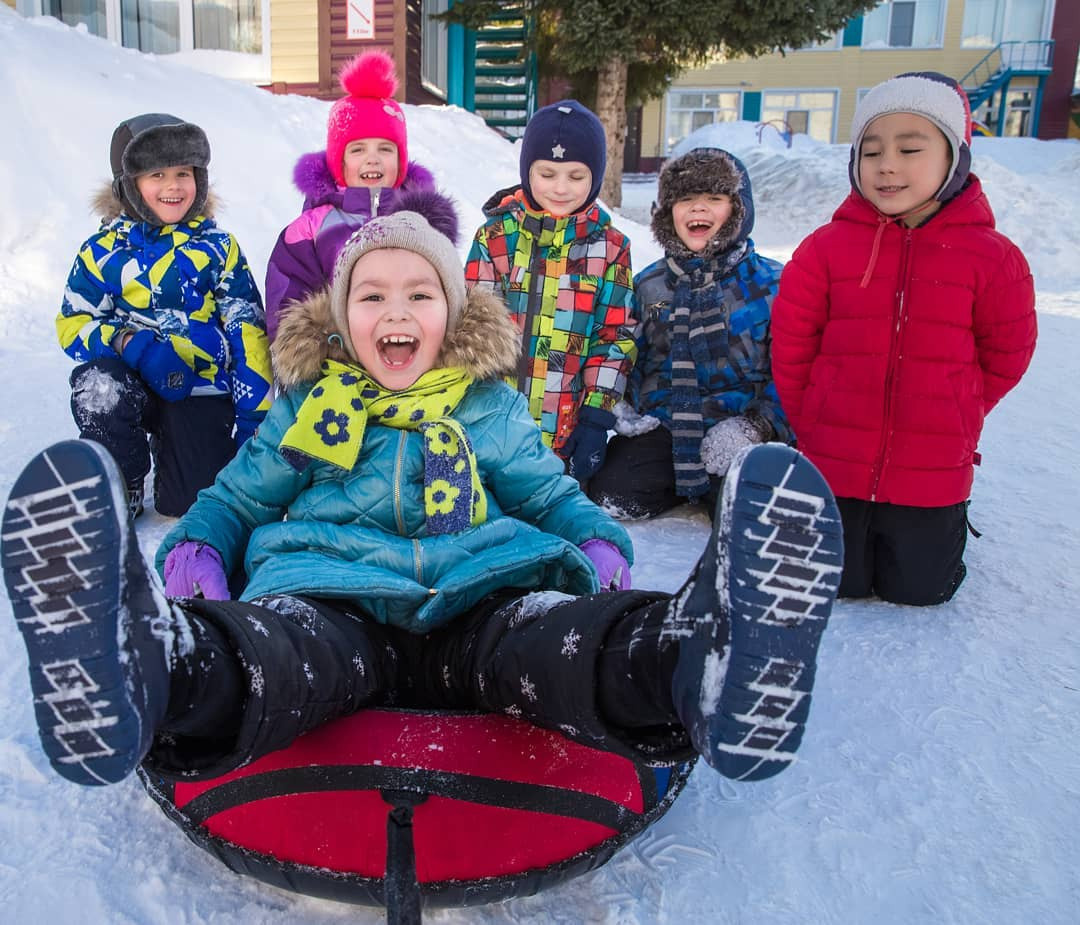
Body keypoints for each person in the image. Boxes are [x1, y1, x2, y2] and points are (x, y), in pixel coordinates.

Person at [2, 204, 844, 797]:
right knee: (280, 655)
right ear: (340, 320)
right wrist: (198, 549)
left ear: (451, 316)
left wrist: (594, 542)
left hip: (481, 594)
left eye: (419, 294)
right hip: (332, 595)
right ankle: (157, 666)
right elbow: (237, 496)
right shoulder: (314, 405)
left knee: (549, 641)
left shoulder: (485, 406)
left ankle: (687, 656)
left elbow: (547, 493)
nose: (395, 310)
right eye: (371, 295)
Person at [771, 72, 1037, 606]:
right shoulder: (825, 250)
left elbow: (1008, 352)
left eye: (910, 148)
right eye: (871, 151)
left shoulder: (992, 257)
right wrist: (813, 417)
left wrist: (961, 410)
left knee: (920, 590)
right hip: (835, 460)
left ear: (954, 158)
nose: (887, 164)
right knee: (836, 586)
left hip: (932, 470)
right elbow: (792, 344)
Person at [56, 113, 272, 518]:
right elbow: (73, 324)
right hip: (132, 378)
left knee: (190, 504)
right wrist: (128, 343)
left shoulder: (217, 247)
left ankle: (176, 457)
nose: (173, 186)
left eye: (183, 173)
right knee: (101, 388)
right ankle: (122, 476)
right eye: (156, 174)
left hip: (198, 386)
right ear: (128, 185)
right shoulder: (102, 251)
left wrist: (253, 417)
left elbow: (248, 328)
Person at [587, 147, 792, 520]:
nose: (698, 209)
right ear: (668, 213)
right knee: (610, 493)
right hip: (668, 427)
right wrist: (626, 404)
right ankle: (682, 487)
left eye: (714, 198)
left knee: (755, 511)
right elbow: (633, 353)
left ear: (738, 210)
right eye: (685, 199)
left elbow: (793, 373)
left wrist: (758, 426)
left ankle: (724, 490)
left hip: (738, 431)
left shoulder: (773, 285)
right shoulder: (649, 285)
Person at [464, 100, 637, 487]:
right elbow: (472, 328)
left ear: (594, 177)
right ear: (528, 172)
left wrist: (596, 418)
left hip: (566, 432)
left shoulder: (610, 248)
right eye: (547, 173)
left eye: (576, 176)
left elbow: (615, 337)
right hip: (492, 428)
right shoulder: (495, 238)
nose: (560, 188)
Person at [264, 49, 450, 342]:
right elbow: (288, 303)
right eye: (358, 149)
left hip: (406, 356)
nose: (372, 160)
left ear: (401, 161)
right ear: (339, 161)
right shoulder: (309, 230)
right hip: (335, 367)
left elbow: (443, 292)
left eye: (385, 149)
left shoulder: (422, 224)